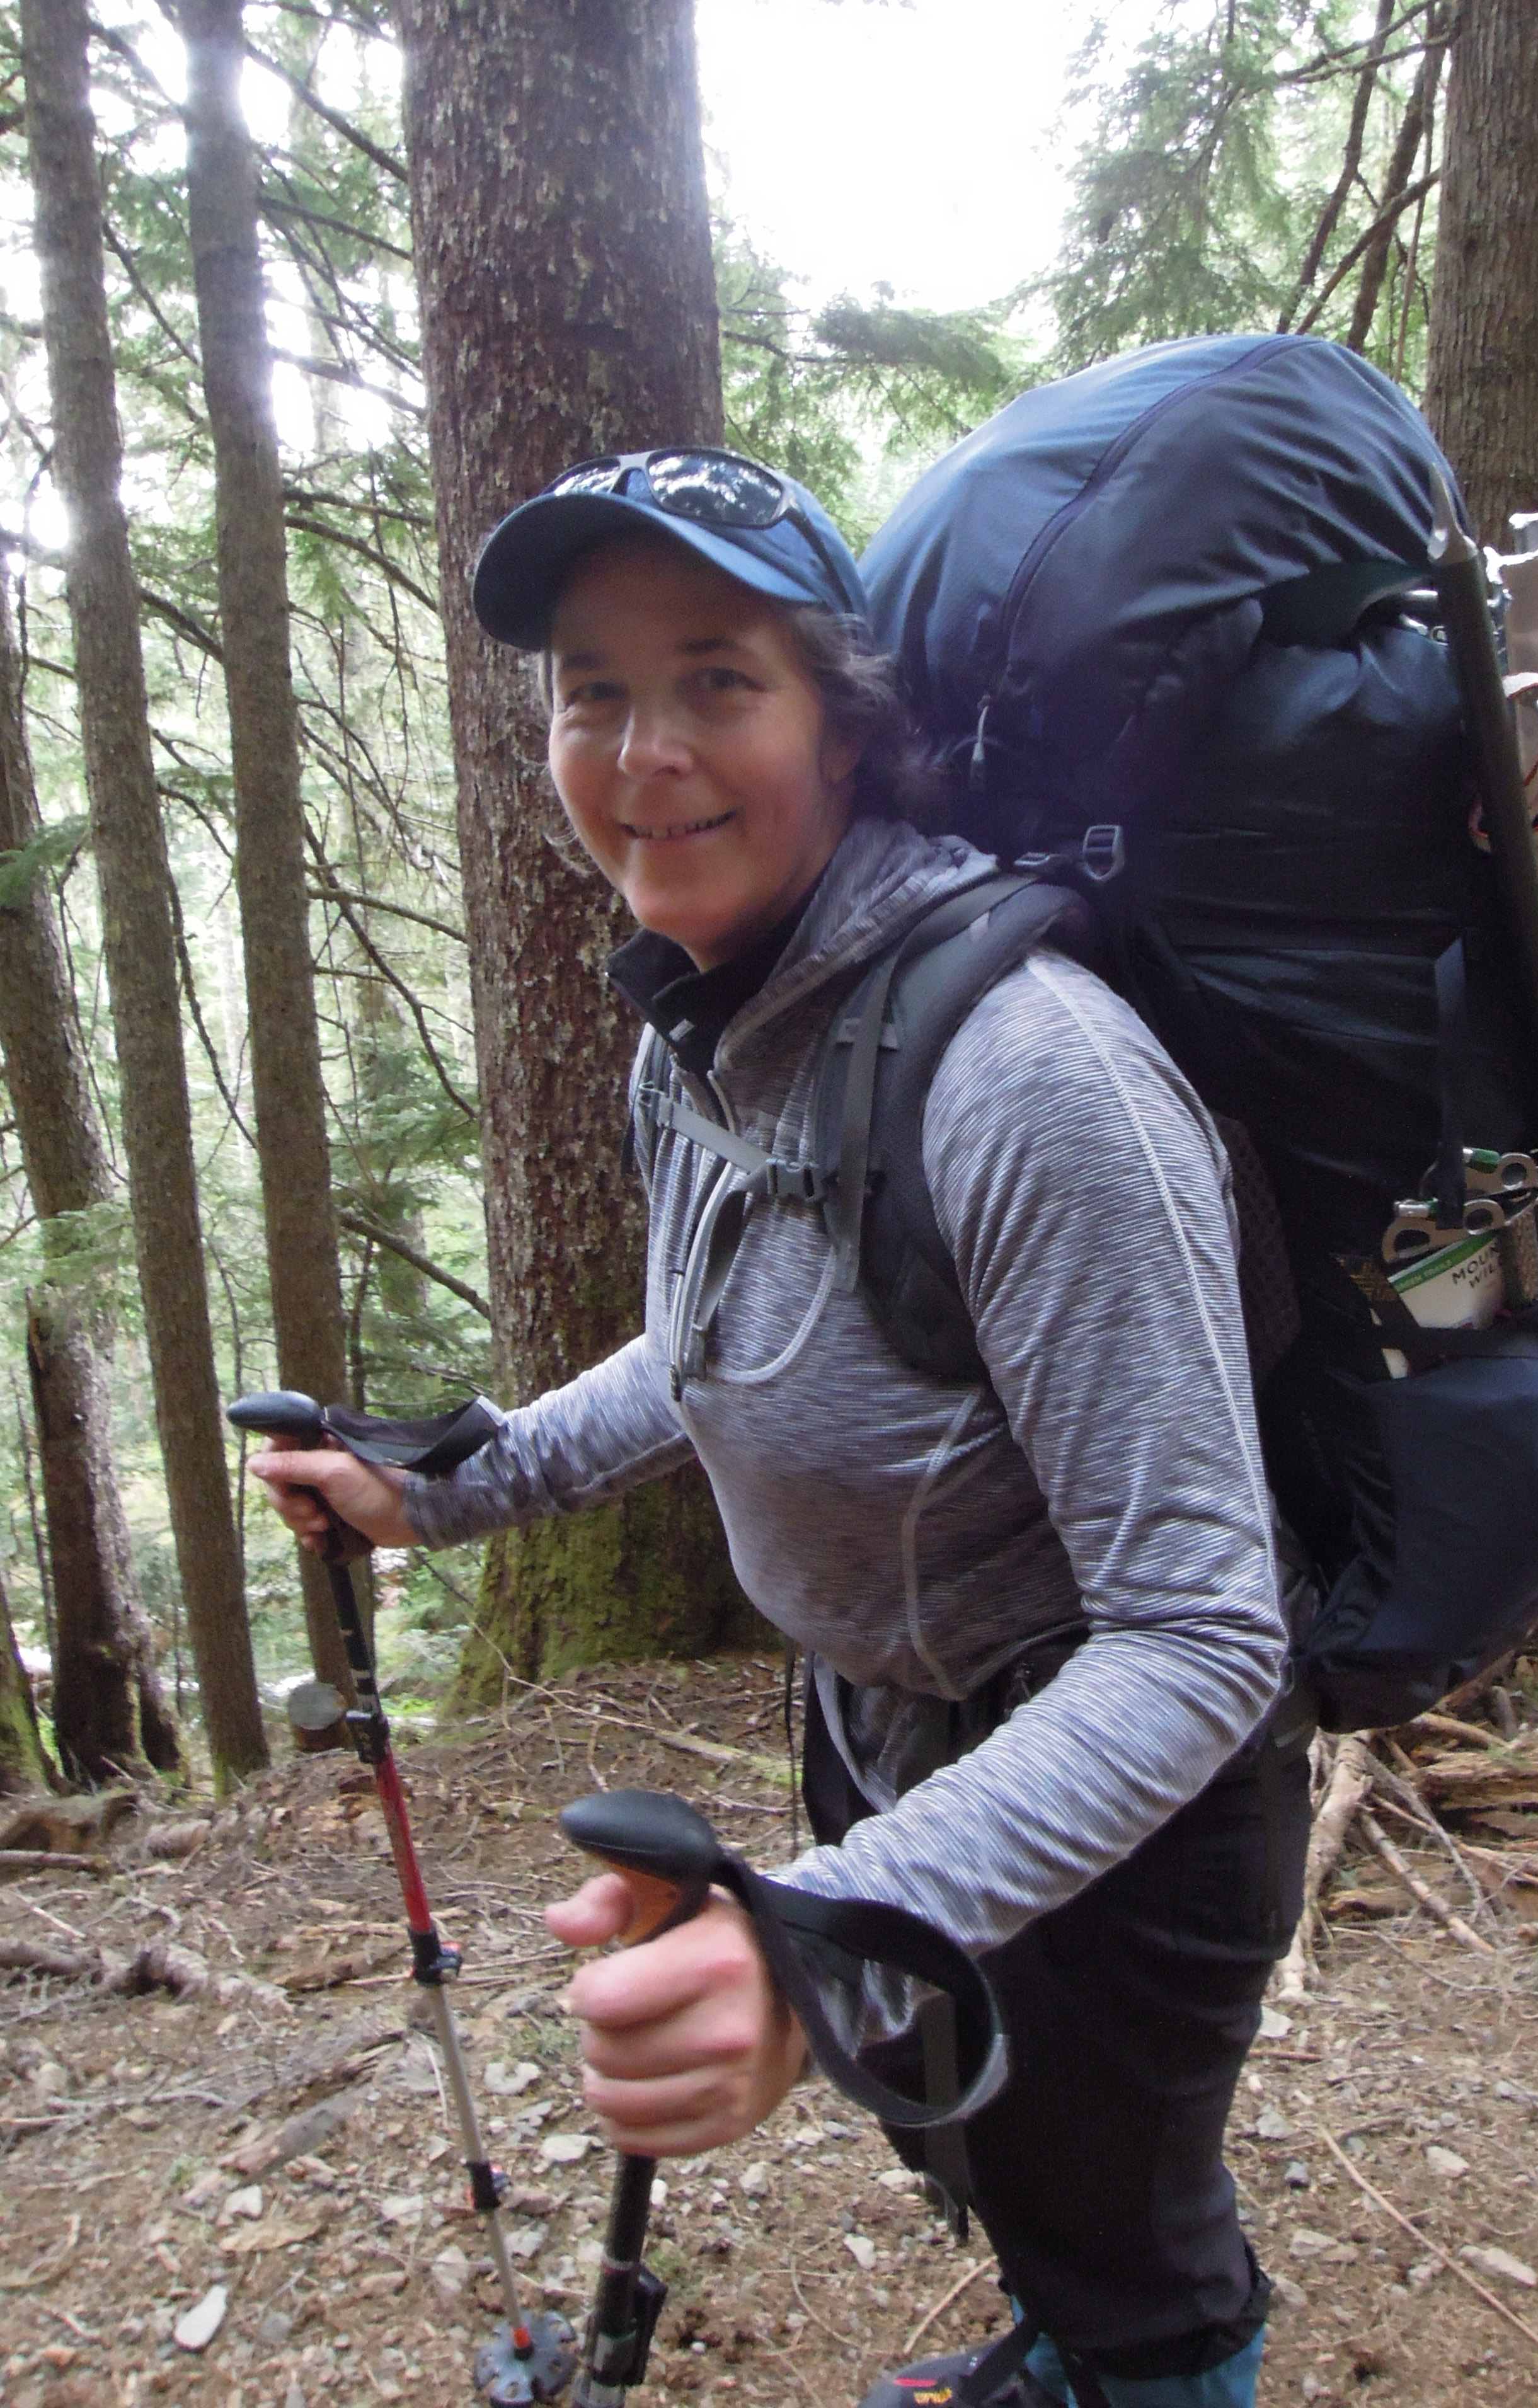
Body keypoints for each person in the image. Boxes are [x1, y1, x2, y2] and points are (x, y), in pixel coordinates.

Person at [251, 447, 1310, 2408]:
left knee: (1130, 2227)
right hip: (891, 1726)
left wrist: (825, 1929)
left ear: (847, 720)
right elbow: (710, 1342)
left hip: (1119, 1798)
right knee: (1013, 2161)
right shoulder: (711, 1017)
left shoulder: (1029, 1078)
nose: (641, 750)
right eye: (592, 689)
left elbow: (1204, 1634)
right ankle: (1059, 2347)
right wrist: (447, 1490)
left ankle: (1141, 2362)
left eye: (719, 678)